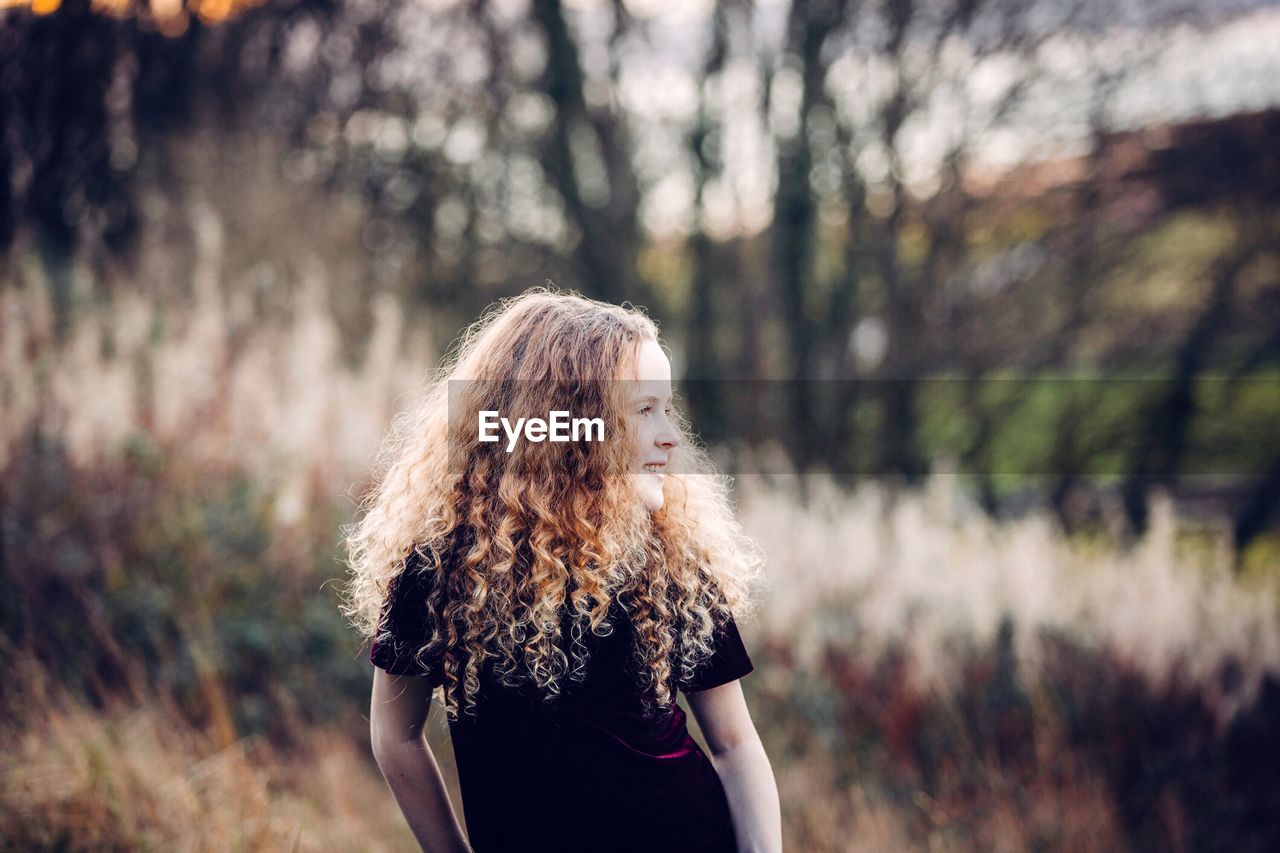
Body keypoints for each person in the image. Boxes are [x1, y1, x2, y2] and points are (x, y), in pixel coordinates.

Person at [341, 288, 782, 852]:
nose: (670, 436)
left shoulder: (670, 558)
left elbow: (735, 744)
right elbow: (395, 737)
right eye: (643, 410)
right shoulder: (444, 567)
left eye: (667, 408)